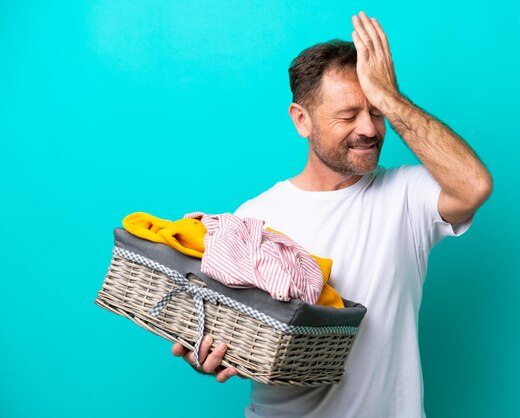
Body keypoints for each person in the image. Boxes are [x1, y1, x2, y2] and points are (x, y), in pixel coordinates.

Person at [172, 10, 493, 418]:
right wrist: (206, 350)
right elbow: (225, 332)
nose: (370, 129)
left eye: (374, 112)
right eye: (347, 115)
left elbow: (474, 185)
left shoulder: (407, 195)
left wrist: (391, 99)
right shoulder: (255, 218)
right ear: (301, 121)